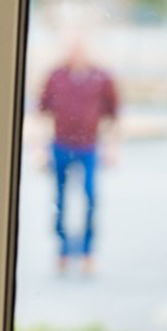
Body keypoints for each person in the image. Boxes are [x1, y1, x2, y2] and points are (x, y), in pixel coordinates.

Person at [37, 34, 119, 276]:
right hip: (60, 145)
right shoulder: (56, 76)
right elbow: (43, 113)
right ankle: (63, 250)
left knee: (91, 197)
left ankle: (86, 252)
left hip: (89, 147)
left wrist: (113, 147)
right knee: (60, 199)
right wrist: (39, 148)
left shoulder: (101, 77)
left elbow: (113, 115)